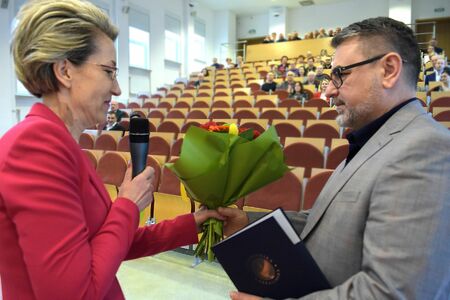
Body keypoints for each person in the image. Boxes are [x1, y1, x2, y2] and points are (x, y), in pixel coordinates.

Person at [0, 1, 224, 299]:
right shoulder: (35, 147)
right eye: (109, 71)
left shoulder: (59, 144)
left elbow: (106, 243)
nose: (117, 88)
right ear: (65, 71)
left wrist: (190, 225)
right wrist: (129, 203)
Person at [220, 16, 450, 300]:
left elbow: (396, 292)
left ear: (389, 70)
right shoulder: (371, 142)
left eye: (341, 74)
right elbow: (321, 222)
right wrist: (247, 222)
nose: (328, 91)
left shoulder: (426, 149)